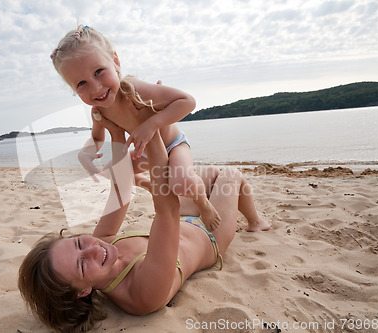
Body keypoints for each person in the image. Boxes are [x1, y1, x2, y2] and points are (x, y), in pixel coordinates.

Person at [18, 114, 272, 332]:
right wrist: (148, 129)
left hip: (184, 219)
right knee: (230, 175)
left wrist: (116, 132)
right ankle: (256, 221)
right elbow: (166, 209)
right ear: (82, 292)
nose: (93, 248)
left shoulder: (101, 243)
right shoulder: (143, 295)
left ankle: (248, 215)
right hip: (211, 234)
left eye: (78, 243)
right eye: (83, 265)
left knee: (209, 174)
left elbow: (121, 190)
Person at [50, 25, 221, 231]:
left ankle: (203, 203)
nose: (95, 88)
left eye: (99, 72)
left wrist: (152, 124)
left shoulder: (133, 89)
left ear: (115, 62)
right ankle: (146, 184)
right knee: (112, 172)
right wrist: (87, 152)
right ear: (73, 89)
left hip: (173, 145)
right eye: (81, 84)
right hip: (144, 151)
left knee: (181, 182)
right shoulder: (100, 110)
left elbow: (187, 101)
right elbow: (97, 138)